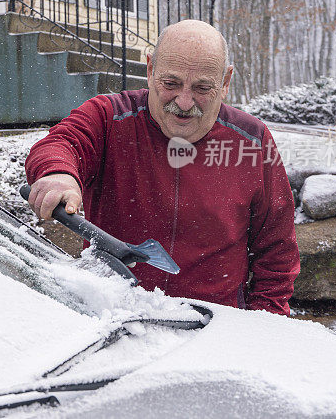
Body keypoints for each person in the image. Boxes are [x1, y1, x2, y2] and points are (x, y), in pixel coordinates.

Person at [25, 20, 300, 315]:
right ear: (150, 69)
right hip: (114, 319)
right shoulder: (109, 117)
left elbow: (277, 253)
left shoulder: (252, 141)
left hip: (215, 328)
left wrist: (262, 324)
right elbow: (62, 143)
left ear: (225, 82)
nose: (184, 102)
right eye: (170, 83)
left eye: (202, 88)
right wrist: (58, 174)